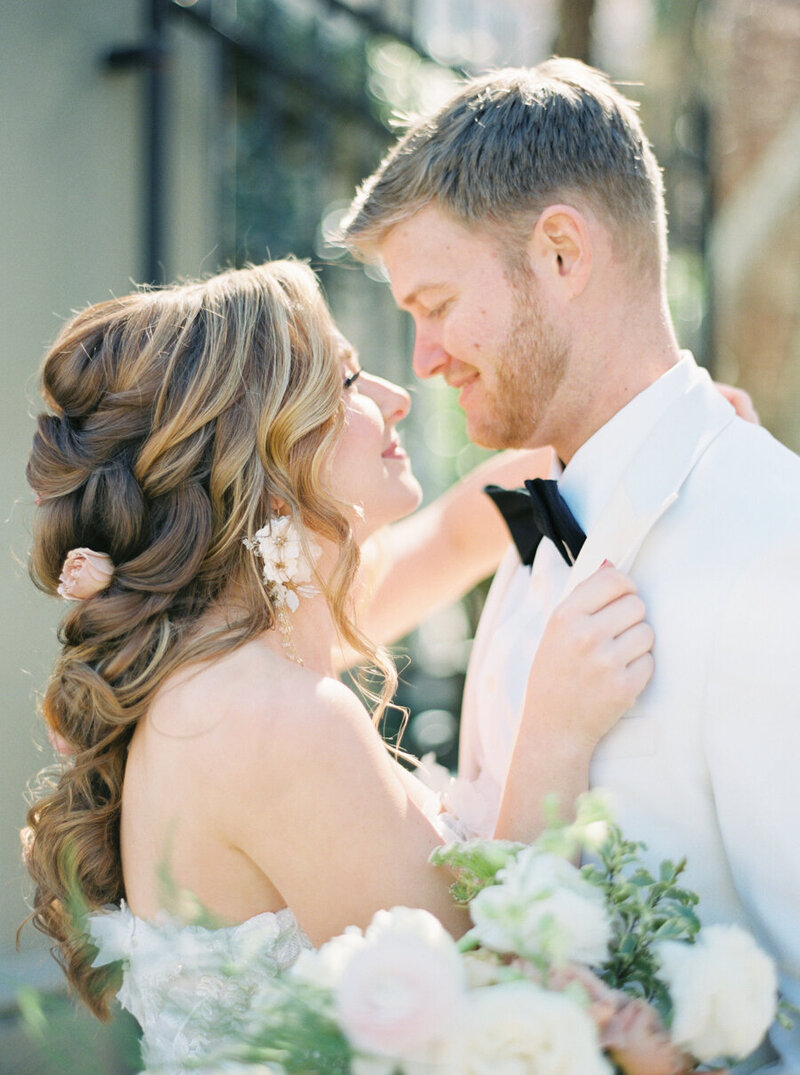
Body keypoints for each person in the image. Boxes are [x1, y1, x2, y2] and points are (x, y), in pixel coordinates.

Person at [23, 259, 665, 1073]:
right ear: (267, 454)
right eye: (350, 379)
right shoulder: (271, 716)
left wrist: (645, 426)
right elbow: (487, 1014)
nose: (397, 396)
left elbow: (452, 538)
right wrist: (556, 734)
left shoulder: (230, 654)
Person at [341, 58, 800, 1074]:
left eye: (435, 303)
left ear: (559, 252)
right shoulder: (535, 503)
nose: (421, 360)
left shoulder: (774, 546)